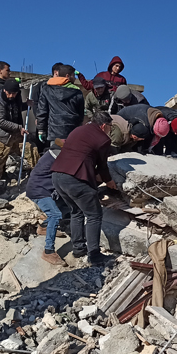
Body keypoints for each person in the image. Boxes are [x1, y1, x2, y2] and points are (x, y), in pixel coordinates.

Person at [51, 112, 118, 265]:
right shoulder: (103, 139)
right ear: (103, 125)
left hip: (57, 175)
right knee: (94, 215)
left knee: (76, 211)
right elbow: (102, 165)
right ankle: (94, 255)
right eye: (110, 127)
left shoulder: (78, 130)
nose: (110, 130)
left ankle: (78, 248)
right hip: (75, 178)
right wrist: (109, 181)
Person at [0, 79, 37, 188]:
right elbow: (0, 121)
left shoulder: (17, 96)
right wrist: (19, 127)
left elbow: (16, 109)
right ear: (4, 90)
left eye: (14, 93)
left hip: (16, 135)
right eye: (9, 93)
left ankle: (37, 176)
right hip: (1, 137)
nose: (11, 96)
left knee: (31, 150)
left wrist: (26, 105)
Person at [26, 148, 68, 266]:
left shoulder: (56, 152)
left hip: (43, 189)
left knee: (65, 209)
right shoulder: (60, 156)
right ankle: (48, 251)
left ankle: (44, 226)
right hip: (39, 191)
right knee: (55, 214)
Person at [36, 65, 85, 147]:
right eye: (73, 75)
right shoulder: (77, 92)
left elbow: (42, 111)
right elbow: (81, 115)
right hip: (72, 132)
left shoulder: (46, 89)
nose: (75, 78)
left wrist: (41, 130)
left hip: (54, 133)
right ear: (67, 76)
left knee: (55, 157)